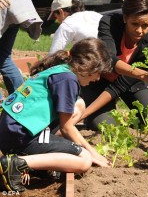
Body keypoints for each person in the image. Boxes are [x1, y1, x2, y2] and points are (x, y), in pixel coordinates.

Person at [0, 38, 112, 192]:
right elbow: (67, 128)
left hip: (12, 128)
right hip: (21, 135)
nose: (97, 79)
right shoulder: (68, 80)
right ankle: (16, 163)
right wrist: (93, 153)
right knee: (84, 160)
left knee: (79, 104)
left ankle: (39, 162)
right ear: (88, 67)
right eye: (98, 73)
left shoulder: (61, 70)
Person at [80, 0, 148, 130]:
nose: (139, 30)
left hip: (131, 83)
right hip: (99, 79)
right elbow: (109, 60)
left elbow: (120, 85)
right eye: (134, 24)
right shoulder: (109, 22)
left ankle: (139, 120)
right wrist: (84, 114)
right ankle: (94, 114)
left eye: (146, 25)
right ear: (124, 18)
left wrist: (141, 76)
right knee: (106, 127)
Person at [0, 0, 42, 104]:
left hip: (3, 2)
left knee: (4, 58)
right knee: (4, 59)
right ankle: (23, 102)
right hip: (15, 5)